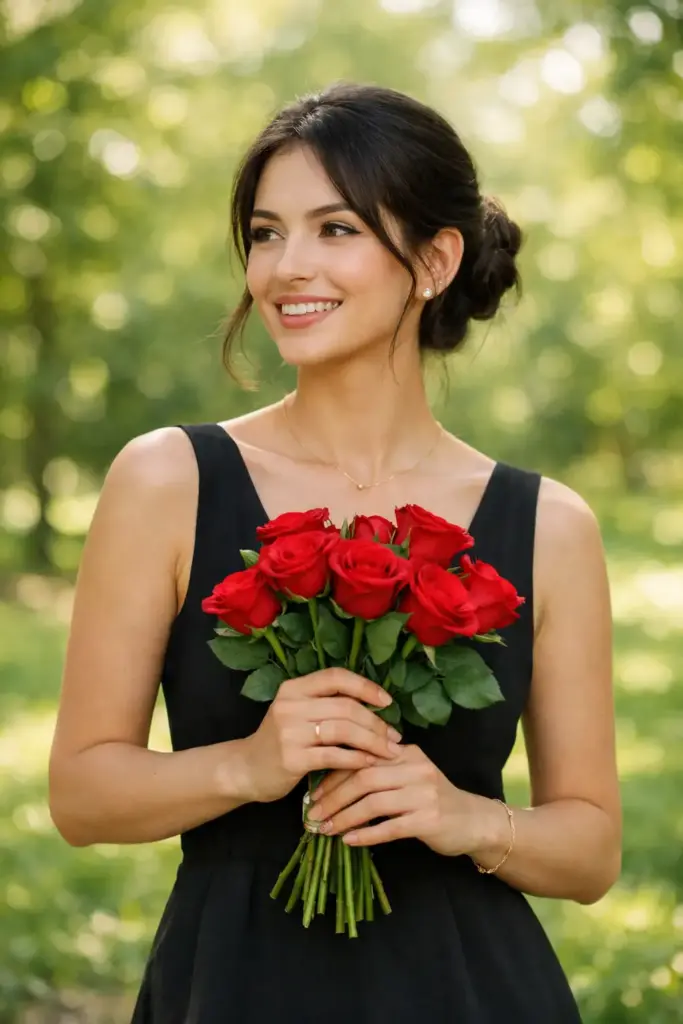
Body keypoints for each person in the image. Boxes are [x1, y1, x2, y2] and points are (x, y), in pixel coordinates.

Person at [49, 82, 621, 1023]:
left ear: (434, 260)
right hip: (231, 985)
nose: (285, 267)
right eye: (266, 232)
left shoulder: (550, 524)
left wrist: (463, 818)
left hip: (471, 991)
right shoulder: (166, 481)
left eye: (336, 229)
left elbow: (590, 852)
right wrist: (248, 763)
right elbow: (81, 796)